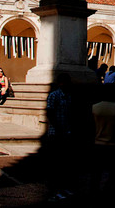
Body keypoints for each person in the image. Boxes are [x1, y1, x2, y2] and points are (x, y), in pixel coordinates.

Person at [46, 73, 75, 201]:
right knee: (56, 164)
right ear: (59, 83)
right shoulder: (54, 96)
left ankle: (64, 188)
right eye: (64, 82)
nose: (66, 84)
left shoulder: (69, 96)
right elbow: (50, 113)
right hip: (56, 134)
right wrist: (58, 129)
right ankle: (54, 191)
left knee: (65, 163)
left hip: (66, 132)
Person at [91, 84, 115, 192]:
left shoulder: (94, 108)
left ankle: (94, 192)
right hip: (114, 145)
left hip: (98, 144)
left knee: (96, 173)